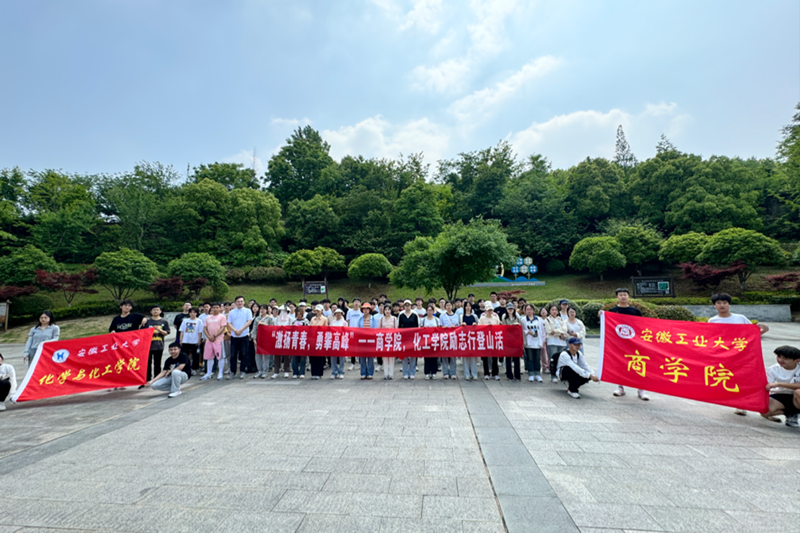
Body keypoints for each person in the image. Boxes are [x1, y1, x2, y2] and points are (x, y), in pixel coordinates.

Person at [708, 293, 770, 416]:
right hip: (724, 355)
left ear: (729, 304)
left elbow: (752, 334)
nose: (722, 305)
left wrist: (765, 329)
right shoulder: (712, 321)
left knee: (743, 378)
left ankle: (743, 404)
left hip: (741, 354)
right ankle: (737, 402)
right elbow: (711, 338)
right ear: (714, 305)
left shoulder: (740, 318)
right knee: (729, 378)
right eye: (719, 303)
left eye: (725, 303)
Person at [600, 288, 649, 401]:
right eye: (620, 295)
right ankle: (620, 387)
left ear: (628, 296)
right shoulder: (613, 311)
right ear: (617, 297)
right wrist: (602, 315)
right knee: (620, 365)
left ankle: (641, 389)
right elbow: (608, 326)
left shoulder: (635, 311)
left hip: (634, 343)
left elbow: (641, 326)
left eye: (625, 294)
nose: (623, 297)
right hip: (619, 344)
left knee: (637, 364)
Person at [762, 345, 800, 428]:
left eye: (785, 358)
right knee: (764, 410)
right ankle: (791, 413)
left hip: (796, 395)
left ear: (797, 360)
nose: (780, 360)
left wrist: (779, 384)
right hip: (781, 394)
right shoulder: (773, 369)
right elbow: (767, 385)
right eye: (779, 356)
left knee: (798, 392)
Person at [227, 296, 253, 380]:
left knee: (244, 354)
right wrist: (235, 330)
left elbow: (249, 321)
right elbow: (229, 323)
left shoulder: (247, 311)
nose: (240, 303)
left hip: (244, 335)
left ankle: (242, 371)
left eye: (241, 301)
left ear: (244, 302)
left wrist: (241, 330)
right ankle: (232, 371)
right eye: (238, 301)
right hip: (234, 336)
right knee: (233, 355)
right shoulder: (232, 312)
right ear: (235, 302)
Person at [144, 305, 170, 386]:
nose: (155, 311)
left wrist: (159, 329)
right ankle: (147, 379)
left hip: (159, 346)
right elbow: (142, 332)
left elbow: (167, 333)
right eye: (153, 310)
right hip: (148, 346)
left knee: (157, 363)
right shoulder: (147, 322)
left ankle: (157, 379)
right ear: (150, 312)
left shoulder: (164, 321)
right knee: (147, 364)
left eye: (157, 310)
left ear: (160, 311)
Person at [201, 303, 227, 381]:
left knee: (220, 357)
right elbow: (205, 328)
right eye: (214, 307)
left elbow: (222, 328)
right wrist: (209, 337)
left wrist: (214, 336)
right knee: (209, 357)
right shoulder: (208, 317)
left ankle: (220, 373)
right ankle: (209, 372)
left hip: (218, 340)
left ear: (219, 308)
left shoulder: (222, 317)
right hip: (209, 340)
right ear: (211, 308)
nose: (215, 309)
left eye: (217, 307)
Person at [521, 304, 545, 382]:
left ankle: (537, 374)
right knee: (530, 358)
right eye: (527, 309)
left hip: (537, 341)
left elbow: (542, 330)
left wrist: (543, 340)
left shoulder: (539, 319)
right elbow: (521, 330)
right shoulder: (523, 320)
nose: (529, 311)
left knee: (537, 358)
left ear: (533, 310)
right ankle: (531, 373)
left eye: (530, 309)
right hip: (529, 342)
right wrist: (527, 332)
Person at [545, 305, 568, 383]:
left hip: (561, 341)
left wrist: (555, 331)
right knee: (553, 359)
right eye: (552, 310)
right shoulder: (547, 320)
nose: (554, 311)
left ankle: (561, 374)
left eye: (555, 310)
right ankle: (553, 375)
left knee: (561, 359)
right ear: (550, 311)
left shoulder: (561, 319)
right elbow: (549, 331)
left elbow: (565, 329)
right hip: (552, 341)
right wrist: (560, 332)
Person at [251, 304, 274, 379]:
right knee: (258, 356)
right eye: (261, 309)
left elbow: (272, 328)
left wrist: (263, 324)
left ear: (267, 310)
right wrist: (254, 339)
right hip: (258, 339)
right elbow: (254, 329)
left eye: (264, 309)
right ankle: (259, 370)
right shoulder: (257, 318)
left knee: (265, 356)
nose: (262, 310)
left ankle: (265, 371)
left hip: (266, 340)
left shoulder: (270, 318)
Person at [479, 304, 501, 380]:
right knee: (485, 357)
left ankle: (495, 373)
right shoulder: (482, 319)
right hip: (485, 339)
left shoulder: (495, 319)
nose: (489, 312)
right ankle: (486, 373)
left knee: (495, 357)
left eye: (491, 310)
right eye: (488, 310)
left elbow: (499, 328)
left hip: (494, 339)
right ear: (485, 311)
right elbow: (479, 329)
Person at [399, 300, 420, 379]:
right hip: (404, 338)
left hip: (413, 338)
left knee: (413, 356)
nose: (407, 307)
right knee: (404, 356)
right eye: (406, 305)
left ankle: (412, 372)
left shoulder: (414, 315)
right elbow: (399, 327)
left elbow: (417, 326)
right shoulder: (401, 315)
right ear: (404, 306)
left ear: (411, 306)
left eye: (408, 305)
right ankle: (405, 372)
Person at [502, 303, 523, 381]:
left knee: (516, 358)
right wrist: (513, 326)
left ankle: (517, 375)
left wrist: (522, 342)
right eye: (509, 309)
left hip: (516, 341)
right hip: (508, 341)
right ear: (507, 310)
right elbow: (504, 329)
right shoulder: (505, 319)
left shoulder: (517, 318)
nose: (510, 310)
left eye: (511, 309)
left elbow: (521, 330)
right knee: (508, 359)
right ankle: (509, 375)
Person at [439, 301, 460, 379]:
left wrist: (455, 328)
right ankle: (445, 373)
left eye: (450, 305)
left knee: (453, 356)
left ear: (452, 306)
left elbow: (459, 327)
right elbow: (439, 327)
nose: (448, 307)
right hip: (444, 338)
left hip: (453, 337)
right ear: (445, 307)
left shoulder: (456, 316)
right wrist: (443, 328)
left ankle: (453, 373)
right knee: (444, 356)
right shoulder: (442, 316)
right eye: (447, 305)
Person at [178, 307, 203, 372]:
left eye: (194, 312)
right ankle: (185, 367)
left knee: (195, 356)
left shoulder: (199, 321)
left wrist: (199, 340)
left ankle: (195, 368)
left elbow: (200, 332)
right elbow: (181, 331)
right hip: (185, 341)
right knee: (185, 355)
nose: (192, 314)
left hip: (195, 341)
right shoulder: (185, 321)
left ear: (196, 313)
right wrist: (181, 340)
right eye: (191, 312)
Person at [356, 302, 376, 379]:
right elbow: (357, 330)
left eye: (367, 309)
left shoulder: (373, 319)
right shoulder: (360, 319)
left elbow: (375, 330)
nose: (366, 310)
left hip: (371, 340)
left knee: (370, 357)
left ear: (370, 310)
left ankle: (370, 373)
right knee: (362, 357)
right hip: (362, 341)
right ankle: (363, 373)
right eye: (364, 309)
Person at [379, 303, 398, 380]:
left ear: (391, 310)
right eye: (386, 309)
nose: (387, 311)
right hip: (384, 340)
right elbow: (378, 330)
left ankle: (391, 374)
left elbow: (396, 330)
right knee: (384, 357)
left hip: (391, 340)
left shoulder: (394, 319)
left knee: (391, 358)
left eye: (388, 309)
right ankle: (385, 374)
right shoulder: (381, 319)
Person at [272, 306, 292, 379]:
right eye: (281, 311)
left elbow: (291, 328)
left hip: (286, 338)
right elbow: (274, 328)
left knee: (286, 356)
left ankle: (286, 371)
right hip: (278, 338)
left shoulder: (290, 319)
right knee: (277, 356)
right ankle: (276, 371)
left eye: (285, 311)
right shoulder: (277, 319)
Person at [309, 305, 328, 379]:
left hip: (320, 339)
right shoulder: (313, 318)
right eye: (316, 310)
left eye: (319, 310)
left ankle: (319, 373)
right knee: (313, 357)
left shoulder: (324, 319)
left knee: (320, 357)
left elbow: (326, 329)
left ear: (322, 311)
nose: (317, 312)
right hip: (313, 339)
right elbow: (310, 328)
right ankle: (313, 373)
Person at [421, 305, 441, 379]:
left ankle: (434, 372)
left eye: (431, 310)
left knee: (434, 357)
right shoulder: (423, 320)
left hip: (434, 341)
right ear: (426, 311)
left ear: (433, 311)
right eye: (428, 310)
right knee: (427, 357)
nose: (429, 312)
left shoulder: (437, 319)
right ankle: (427, 372)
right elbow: (420, 330)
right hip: (426, 341)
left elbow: (439, 329)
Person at [461, 302, 479, 381]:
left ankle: (474, 374)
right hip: (464, 338)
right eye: (466, 306)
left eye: (469, 306)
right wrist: (462, 324)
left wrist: (475, 324)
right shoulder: (461, 316)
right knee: (465, 357)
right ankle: (466, 374)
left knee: (473, 357)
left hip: (473, 338)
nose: (468, 307)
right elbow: (458, 326)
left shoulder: (474, 316)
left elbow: (479, 326)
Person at [329, 308, 348, 379]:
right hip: (334, 341)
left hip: (341, 341)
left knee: (341, 358)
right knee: (333, 357)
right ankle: (334, 372)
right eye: (336, 313)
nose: (338, 314)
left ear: (342, 314)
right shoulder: (332, 322)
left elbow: (346, 332)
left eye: (339, 313)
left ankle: (341, 372)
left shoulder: (344, 322)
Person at [291, 308, 309, 379]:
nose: (299, 316)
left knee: (302, 358)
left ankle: (302, 372)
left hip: (303, 341)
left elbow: (309, 330)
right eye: (297, 314)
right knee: (294, 358)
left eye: (300, 314)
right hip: (295, 341)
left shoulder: (306, 321)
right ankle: (295, 372)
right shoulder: (294, 321)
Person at [538, 306, 551, 373]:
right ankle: (545, 367)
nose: (543, 312)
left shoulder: (549, 319)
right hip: (542, 339)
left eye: (544, 310)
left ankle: (550, 367)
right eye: (542, 310)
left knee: (549, 353)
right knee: (543, 354)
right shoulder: (538, 320)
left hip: (550, 338)